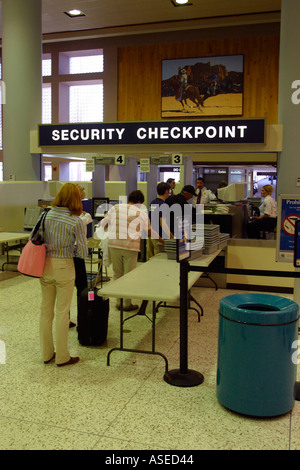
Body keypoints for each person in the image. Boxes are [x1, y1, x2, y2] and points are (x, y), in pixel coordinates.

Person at [39, 183, 88, 367]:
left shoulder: (45, 215)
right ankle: (62, 356)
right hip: (64, 267)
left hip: (45, 265)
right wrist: (70, 250)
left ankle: (46, 354)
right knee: (62, 312)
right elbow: (83, 252)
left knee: (45, 311)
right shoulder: (75, 220)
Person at [101, 190, 164, 311]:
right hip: (130, 247)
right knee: (128, 275)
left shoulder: (115, 208)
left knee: (117, 274)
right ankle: (127, 303)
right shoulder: (141, 213)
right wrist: (164, 241)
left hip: (114, 245)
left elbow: (104, 224)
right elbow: (150, 232)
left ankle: (119, 302)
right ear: (139, 202)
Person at [69, 184, 93, 328]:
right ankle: (83, 319)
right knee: (81, 286)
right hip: (76, 255)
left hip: (70, 255)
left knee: (68, 290)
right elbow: (86, 219)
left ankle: (71, 319)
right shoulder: (78, 218)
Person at [147, 182, 173, 259]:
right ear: (166, 191)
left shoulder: (152, 202)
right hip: (159, 237)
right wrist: (171, 236)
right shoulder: (164, 205)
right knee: (158, 259)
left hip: (151, 235)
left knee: (150, 258)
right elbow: (163, 223)